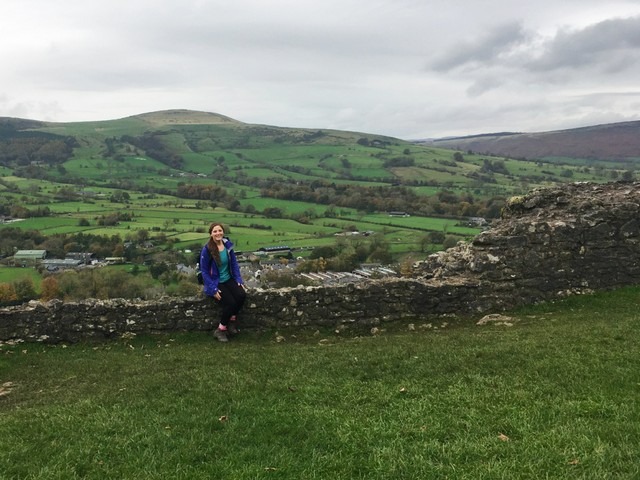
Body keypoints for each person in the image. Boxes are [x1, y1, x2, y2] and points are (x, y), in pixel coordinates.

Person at [200, 222, 246, 342]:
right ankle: (220, 329)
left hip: (229, 278)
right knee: (230, 303)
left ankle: (231, 321)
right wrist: (213, 289)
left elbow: (234, 264)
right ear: (211, 234)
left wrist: (238, 279)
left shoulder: (227, 245)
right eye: (215, 231)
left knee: (241, 295)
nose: (218, 233)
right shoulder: (207, 250)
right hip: (216, 282)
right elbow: (204, 271)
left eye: (220, 230)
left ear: (223, 232)